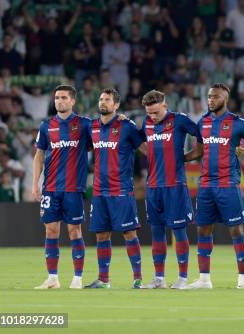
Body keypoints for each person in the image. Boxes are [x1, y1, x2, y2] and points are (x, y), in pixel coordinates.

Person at [183, 83, 244, 289]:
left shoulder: (238, 124)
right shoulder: (203, 123)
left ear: (225, 99)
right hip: (206, 185)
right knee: (203, 230)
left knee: (236, 230)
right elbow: (199, 151)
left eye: (215, 97)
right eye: (209, 96)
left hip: (228, 184)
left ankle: (243, 279)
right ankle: (204, 279)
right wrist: (178, 158)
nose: (211, 100)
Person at [84, 88, 144, 289]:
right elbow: (86, 147)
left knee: (129, 233)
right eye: (101, 98)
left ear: (116, 105)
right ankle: (103, 279)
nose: (103, 102)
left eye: (107, 100)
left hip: (121, 189)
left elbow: (144, 147)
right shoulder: (92, 126)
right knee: (102, 235)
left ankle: (137, 278)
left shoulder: (126, 126)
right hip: (99, 190)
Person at [33, 85, 91, 289]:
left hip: (73, 188)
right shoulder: (46, 126)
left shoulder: (84, 125)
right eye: (57, 97)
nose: (60, 101)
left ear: (73, 101)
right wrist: (35, 184)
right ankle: (52, 278)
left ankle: (77, 278)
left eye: (64, 97)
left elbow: (100, 144)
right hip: (50, 187)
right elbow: (39, 156)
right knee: (50, 231)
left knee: (75, 231)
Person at [139, 90, 198, 289]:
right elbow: (138, 141)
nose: (152, 117)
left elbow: (204, 137)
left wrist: (188, 157)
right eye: (149, 113)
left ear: (165, 105)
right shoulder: (146, 123)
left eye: (156, 112)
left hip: (175, 185)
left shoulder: (180, 120)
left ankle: (182, 278)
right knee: (157, 232)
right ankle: (159, 278)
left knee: (179, 231)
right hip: (153, 186)